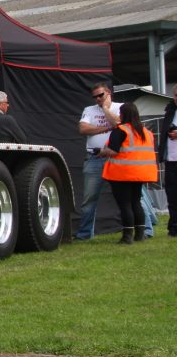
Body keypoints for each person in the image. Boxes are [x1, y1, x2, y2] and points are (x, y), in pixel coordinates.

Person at [100, 103, 156, 244]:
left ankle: (127, 237)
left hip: (122, 173)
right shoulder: (146, 132)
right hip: (140, 173)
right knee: (136, 202)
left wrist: (100, 152)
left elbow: (113, 150)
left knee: (125, 204)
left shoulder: (121, 130)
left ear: (123, 114)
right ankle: (140, 234)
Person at [75, 82, 121, 240]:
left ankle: (145, 228)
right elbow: (83, 129)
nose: (97, 99)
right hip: (94, 158)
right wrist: (106, 128)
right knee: (89, 199)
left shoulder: (121, 106)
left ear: (108, 93)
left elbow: (119, 123)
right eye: (95, 97)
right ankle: (85, 234)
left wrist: (106, 109)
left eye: (100, 95)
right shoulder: (89, 110)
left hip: (116, 157)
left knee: (133, 196)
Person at [157, 84, 177, 237]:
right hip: (170, 160)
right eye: (175, 95)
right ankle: (174, 227)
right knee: (172, 195)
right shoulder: (169, 111)